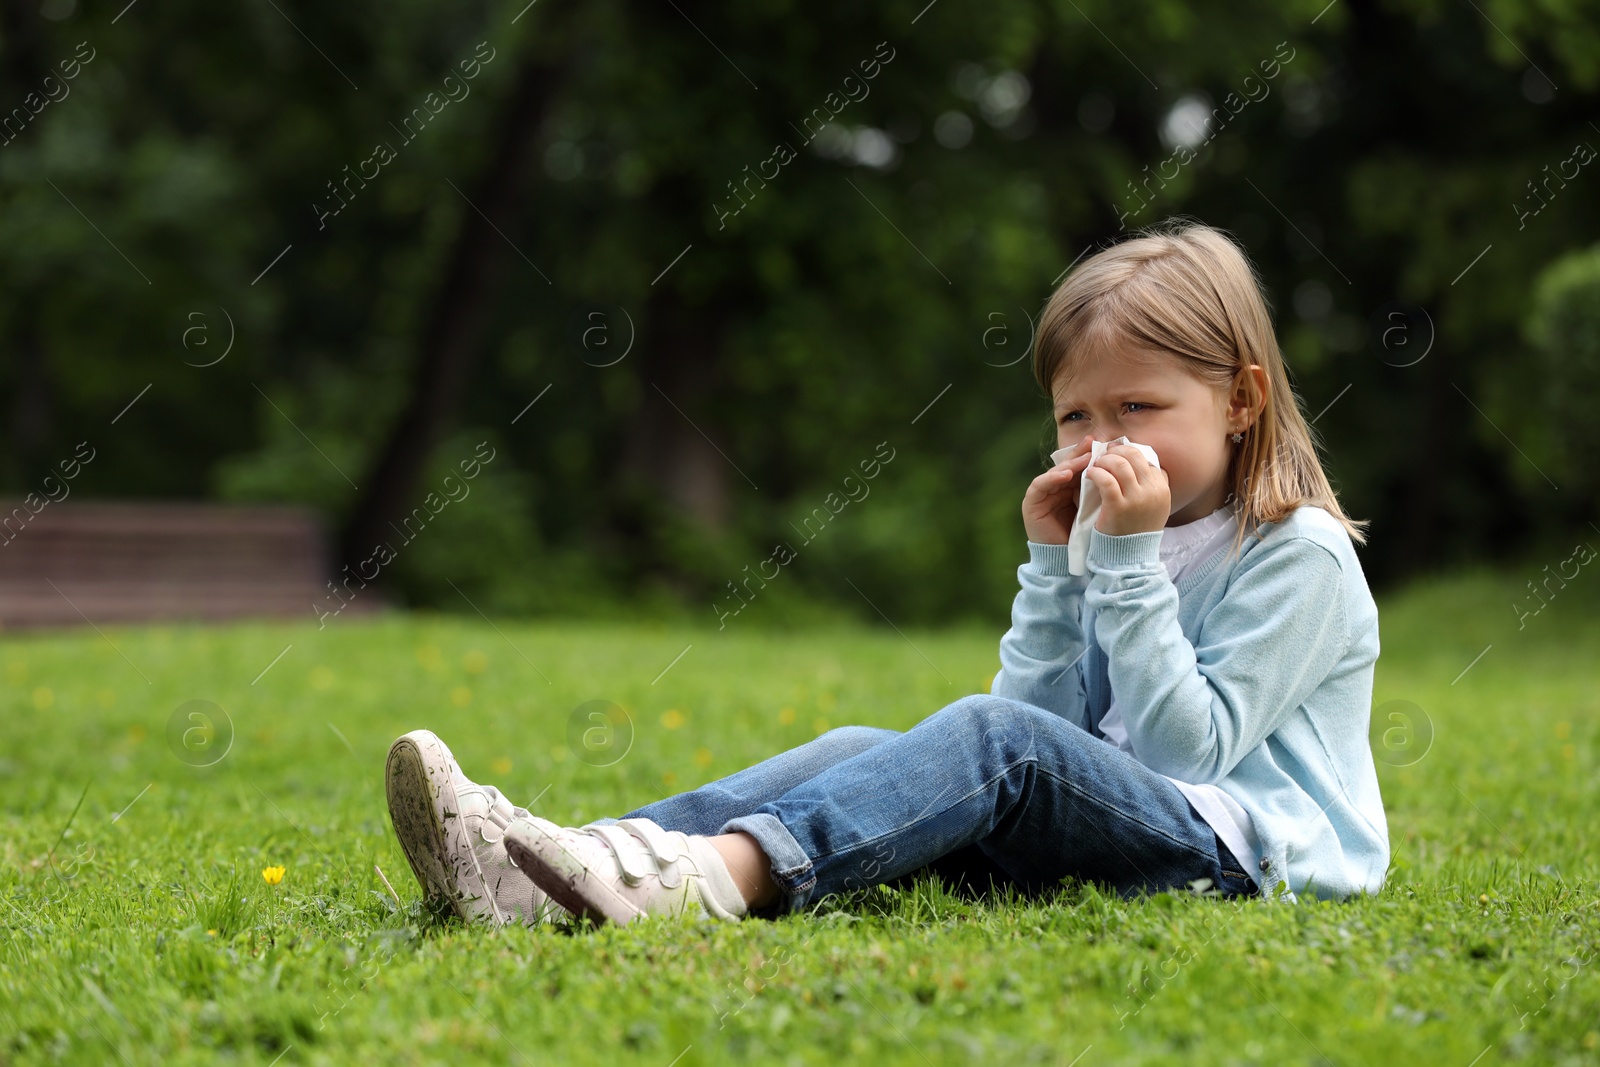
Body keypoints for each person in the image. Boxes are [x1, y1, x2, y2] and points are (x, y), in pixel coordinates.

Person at [384, 218, 1389, 929]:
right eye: (1075, 416)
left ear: (1243, 398)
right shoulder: (1117, 534)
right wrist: (1053, 567)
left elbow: (1189, 754)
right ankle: (566, 859)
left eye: (1137, 408)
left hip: (1242, 853)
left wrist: (1118, 564)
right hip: (1123, 824)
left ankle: (706, 880)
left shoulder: (1297, 554)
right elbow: (1050, 727)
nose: (1098, 441)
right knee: (863, 741)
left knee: (987, 737)